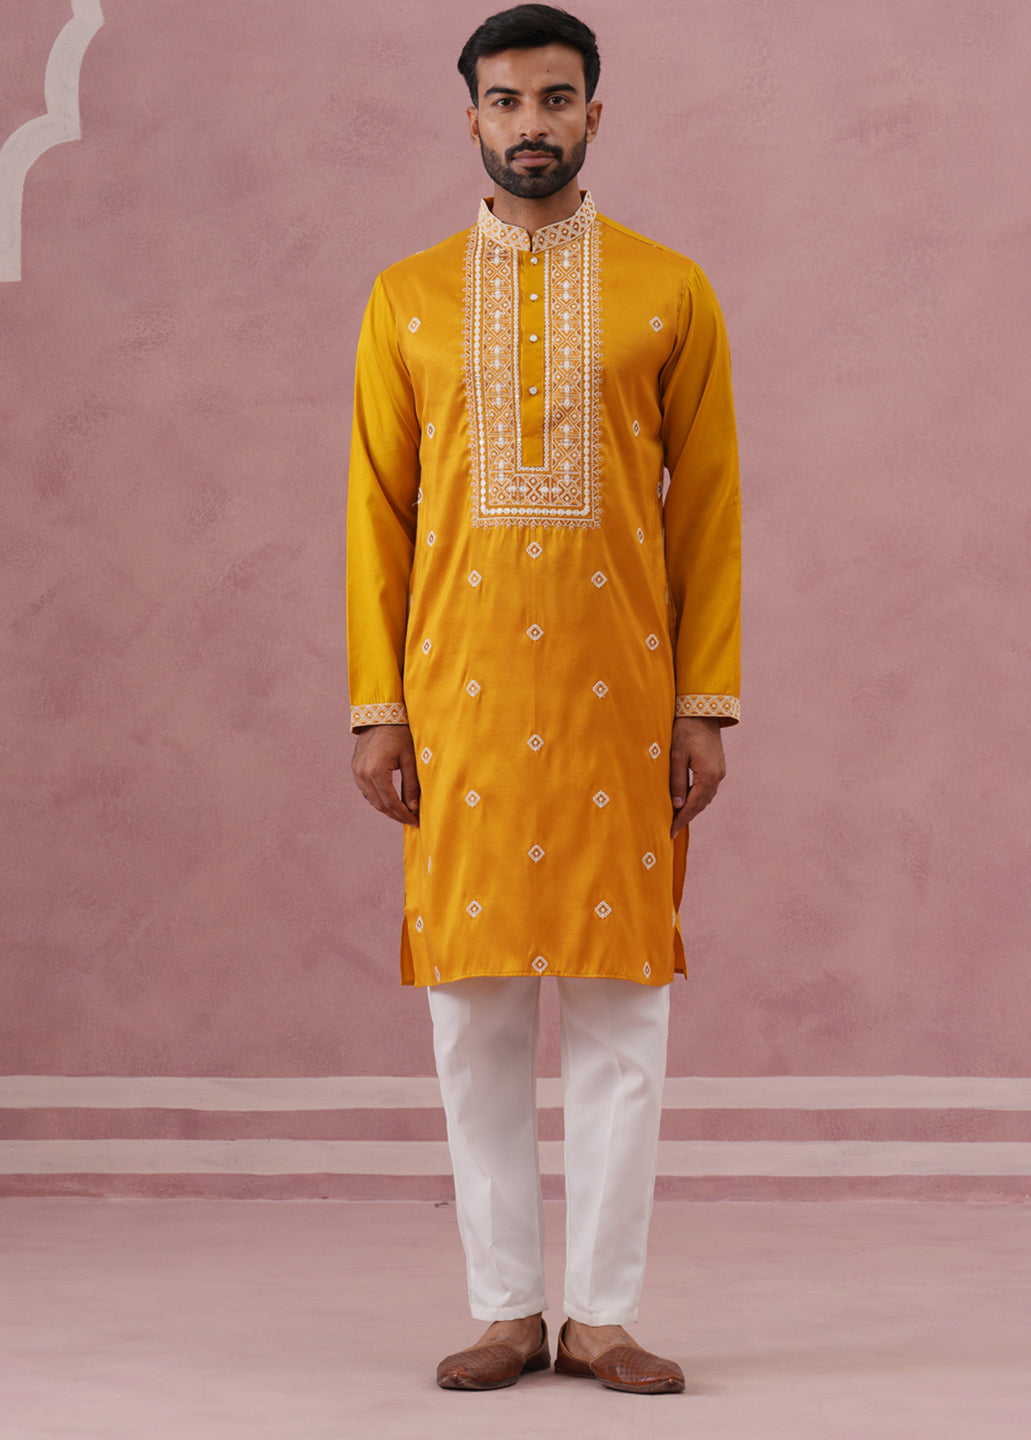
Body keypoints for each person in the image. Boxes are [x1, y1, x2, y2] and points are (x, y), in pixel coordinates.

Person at [347, 3, 740, 1395]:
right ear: (471, 118)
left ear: (594, 114)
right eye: (506, 102)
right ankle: (508, 1309)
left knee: (626, 1010)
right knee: (476, 1012)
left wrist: (705, 702)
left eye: (556, 99)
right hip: (455, 699)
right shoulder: (405, 298)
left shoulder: (670, 290)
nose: (532, 124)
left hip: (620, 696)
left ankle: (605, 1316)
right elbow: (377, 516)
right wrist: (377, 707)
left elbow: (708, 514)